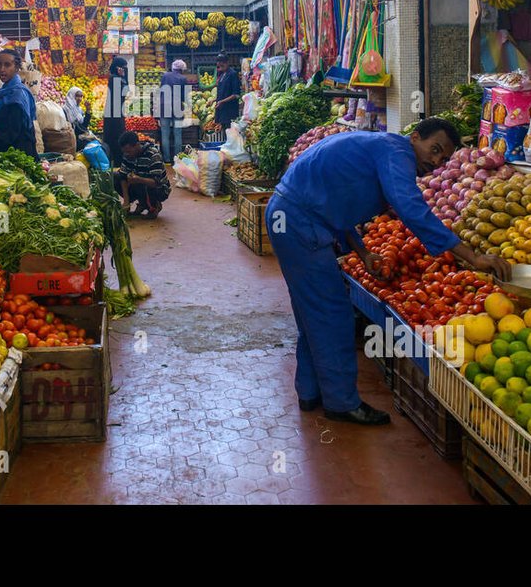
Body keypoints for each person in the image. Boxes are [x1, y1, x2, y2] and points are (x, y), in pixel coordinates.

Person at [264, 118, 511, 426]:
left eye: (444, 158)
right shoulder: (398, 153)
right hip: (299, 223)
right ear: (415, 136)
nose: (435, 162)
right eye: (434, 150)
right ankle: (340, 402)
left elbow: (338, 205)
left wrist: (363, 252)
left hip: (292, 217)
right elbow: (410, 208)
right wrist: (473, 258)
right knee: (332, 313)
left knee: (312, 311)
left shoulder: (381, 147)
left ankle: (311, 392)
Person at [0, 49, 38, 158]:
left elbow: (10, 134)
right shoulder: (6, 92)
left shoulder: (16, 97)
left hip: (18, 154)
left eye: (7, 65)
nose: (2, 69)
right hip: (11, 151)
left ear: (17, 67)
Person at [115, 131, 171, 218]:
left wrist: (138, 179)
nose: (127, 154)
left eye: (129, 151)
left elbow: (156, 182)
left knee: (143, 183)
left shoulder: (153, 154)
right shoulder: (127, 155)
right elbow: (123, 175)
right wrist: (126, 201)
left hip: (159, 189)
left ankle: (154, 205)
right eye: (125, 152)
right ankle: (143, 203)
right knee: (116, 176)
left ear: (137, 145)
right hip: (139, 185)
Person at [156, 59, 190, 164]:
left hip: (164, 107)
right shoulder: (183, 79)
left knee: (165, 134)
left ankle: (166, 160)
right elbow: (185, 96)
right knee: (177, 134)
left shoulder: (165, 76)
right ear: (182, 69)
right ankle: (177, 160)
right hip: (177, 108)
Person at [103, 56, 130, 166]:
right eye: (123, 67)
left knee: (118, 137)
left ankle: (117, 161)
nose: (124, 69)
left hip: (117, 113)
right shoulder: (114, 78)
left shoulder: (117, 78)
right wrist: (123, 77)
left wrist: (124, 76)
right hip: (113, 116)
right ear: (117, 67)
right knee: (115, 138)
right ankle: (116, 162)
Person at [213, 54, 241, 132]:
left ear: (227, 63)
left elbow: (236, 94)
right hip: (222, 111)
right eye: (219, 65)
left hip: (229, 111)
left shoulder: (232, 74)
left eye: (222, 64)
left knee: (230, 133)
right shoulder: (222, 74)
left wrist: (222, 101)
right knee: (225, 132)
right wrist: (214, 100)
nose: (220, 67)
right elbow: (223, 92)